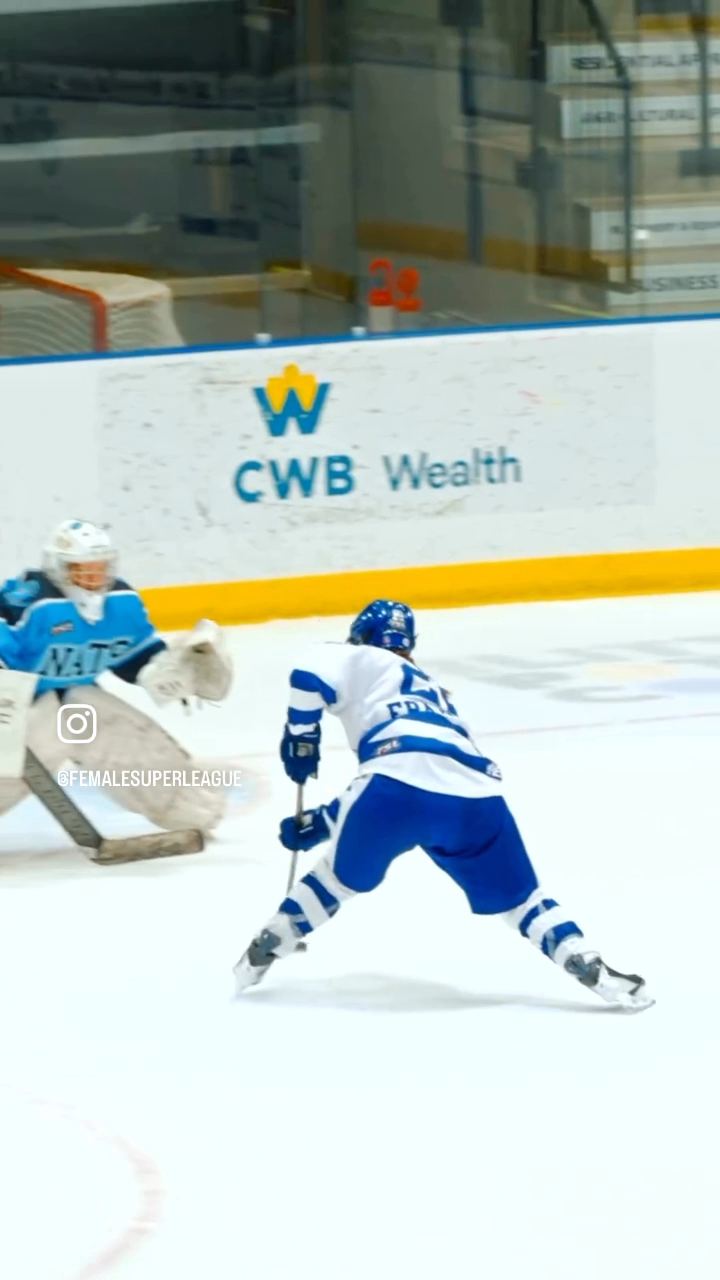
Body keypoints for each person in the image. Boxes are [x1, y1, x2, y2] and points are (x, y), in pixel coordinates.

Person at [234, 599, 653, 1011]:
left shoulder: (355, 657)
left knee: (335, 881)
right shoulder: (437, 693)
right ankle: (588, 962)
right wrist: (323, 821)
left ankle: (270, 942)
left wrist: (301, 739)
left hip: (390, 789)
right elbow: (429, 769)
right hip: (475, 797)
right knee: (524, 900)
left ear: (361, 637)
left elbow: (308, 676)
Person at [0, 519, 232, 834]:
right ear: (57, 568)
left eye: (100, 568)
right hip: (16, 715)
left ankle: (180, 805)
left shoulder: (121, 604)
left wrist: (177, 669)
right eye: (83, 569)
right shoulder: (33, 603)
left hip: (71, 710)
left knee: (100, 720)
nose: (95, 578)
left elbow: (137, 662)